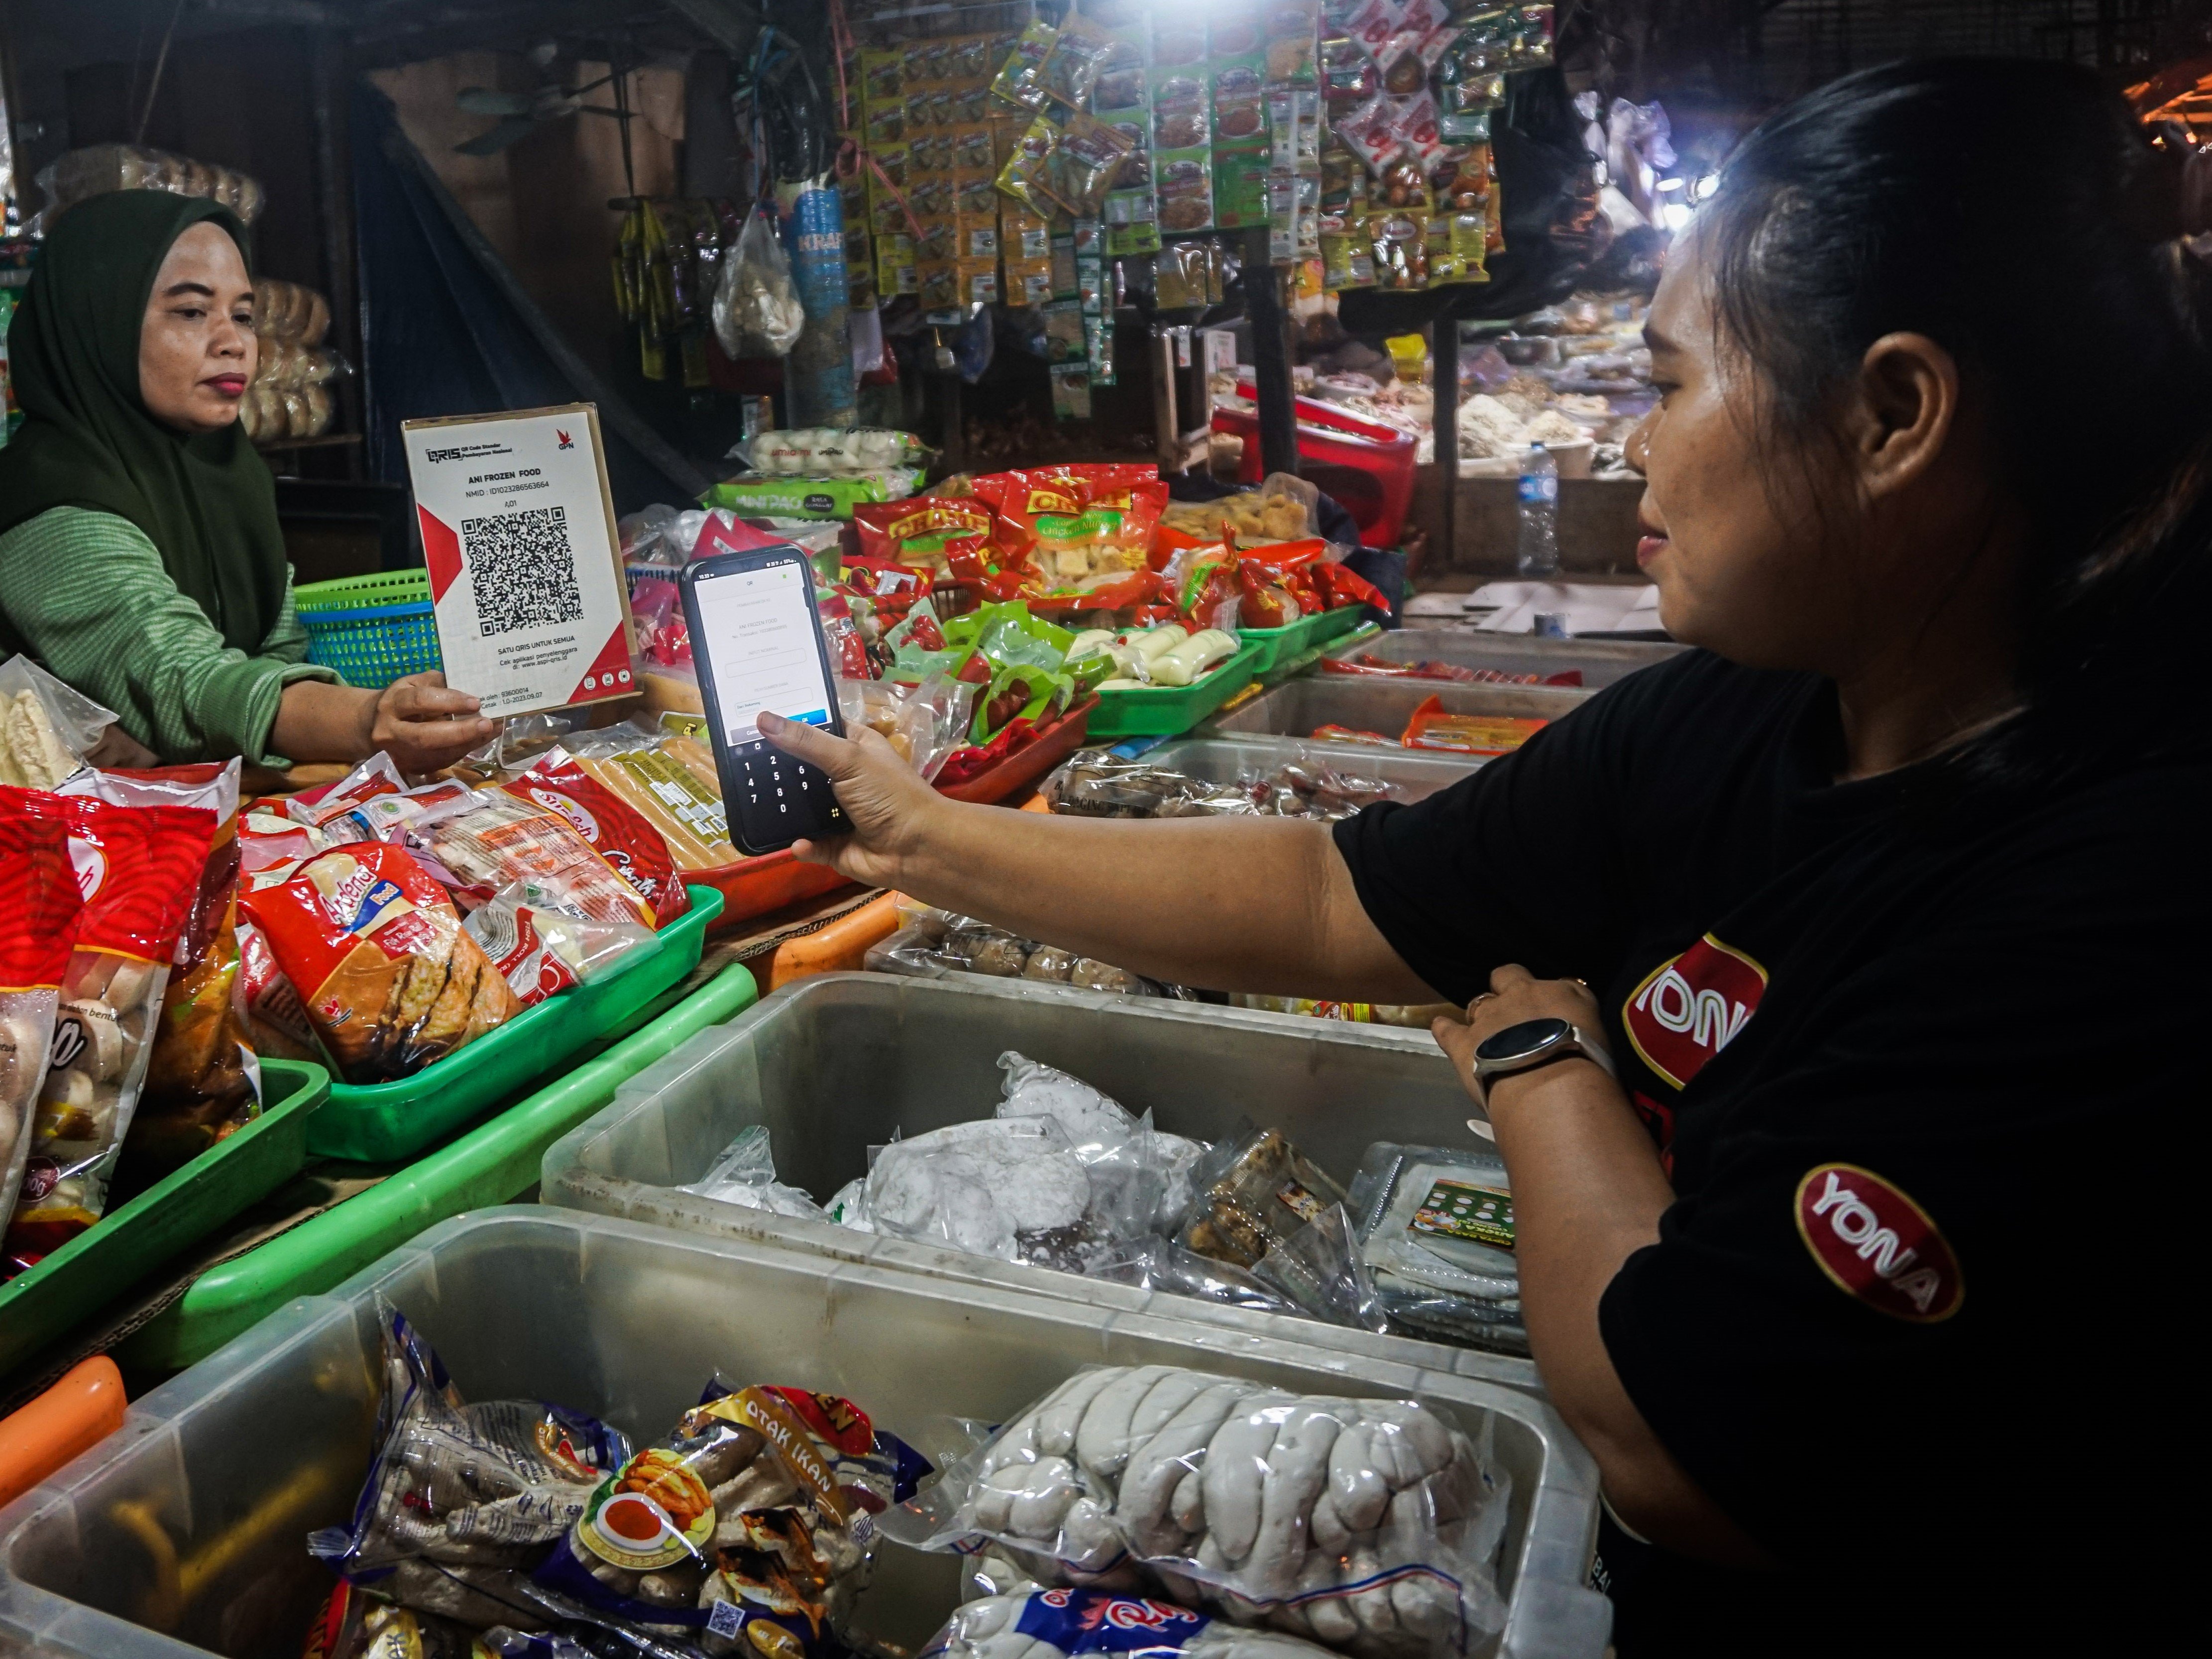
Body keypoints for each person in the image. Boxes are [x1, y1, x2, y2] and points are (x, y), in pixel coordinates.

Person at [760, 60, 2206, 1651]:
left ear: (1890, 417)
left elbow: (1675, 1445)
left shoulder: (2103, 893)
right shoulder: (1754, 710)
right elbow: (1333, 890)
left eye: (1664, 384)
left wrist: (1539, 1065)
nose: (1629, 447)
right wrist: (924, 837)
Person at [0, 190, 495, 777]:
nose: (234, 342)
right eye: (190, 311)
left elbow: (277, 650)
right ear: (97, 319)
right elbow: (178, 674)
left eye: (242, 316)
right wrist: (364, 721)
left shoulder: (228, 472)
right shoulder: (51, 498)